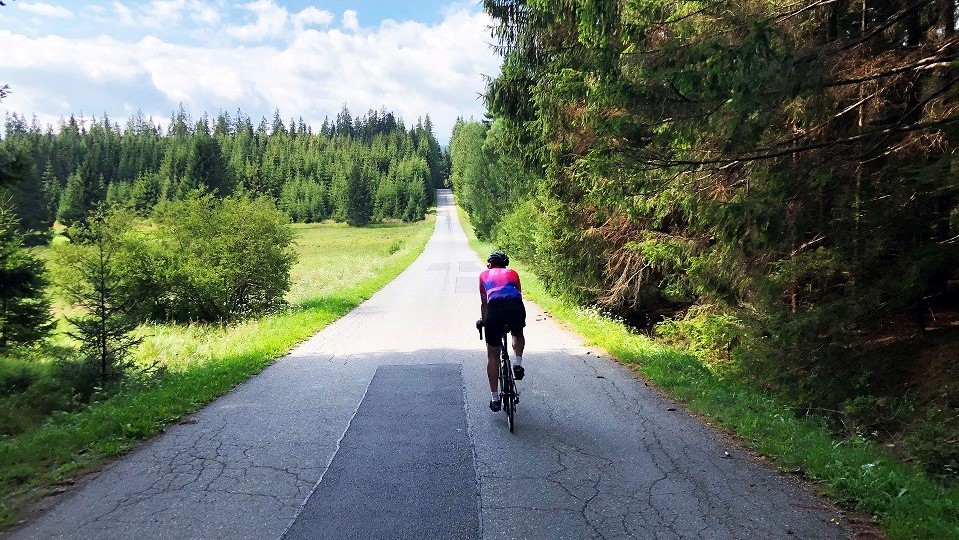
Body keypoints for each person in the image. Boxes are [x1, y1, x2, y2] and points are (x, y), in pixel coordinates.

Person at [478, 250, 526, 412]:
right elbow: (518, 294)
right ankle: (518, 363)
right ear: (505, 264)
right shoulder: (513, 273)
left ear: (490, 264)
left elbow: (485, 303)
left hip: (494, 310)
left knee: (493, 354)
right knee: (517, 333)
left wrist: (483, 321)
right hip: (515, 307)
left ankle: (495, 397)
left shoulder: (484, 274)